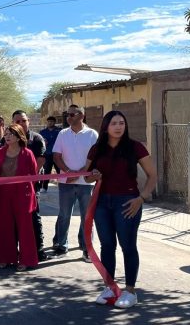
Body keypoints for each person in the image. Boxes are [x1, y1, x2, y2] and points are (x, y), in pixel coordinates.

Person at [84, 110, 156, 309]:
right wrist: (94, 175)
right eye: (114, 123)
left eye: (121, 123)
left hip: (127, 202)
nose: (118, 127)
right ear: (106, 127)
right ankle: (109, 287)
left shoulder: (135, 147)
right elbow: (87, 176)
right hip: (101, 202)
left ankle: (130, 291)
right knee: (107, 245)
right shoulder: (96, 149)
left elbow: (153, 175)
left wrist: (141, 198)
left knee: (128, 246)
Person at [52, 104, 98, 262]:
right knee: (64, 215)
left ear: (81, 116)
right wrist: (67, 172)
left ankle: (86, 248)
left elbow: (97, 157)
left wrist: (82, 171)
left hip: (86, 183)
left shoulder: (92, 134)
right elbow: (56, 156)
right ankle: (61, 245)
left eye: (72, 114)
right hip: (66, 182)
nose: (68, 117)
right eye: (67, 115)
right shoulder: (62, 134)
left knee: (87, 217)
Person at [0, 124, 39, 271]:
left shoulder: (28, 153)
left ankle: (26, 260)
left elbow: (34, 174)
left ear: (19, 137)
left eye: (11, 134)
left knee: (25, 228)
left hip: (23, 194)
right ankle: (5, 258)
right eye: (6, 134)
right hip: (3, 193)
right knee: (3, 226)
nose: (7, 137)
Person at [12, 110, 48, 261]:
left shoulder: (37, 139)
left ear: (29, 122)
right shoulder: (9, 138)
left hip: (31, 187)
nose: (21, 124)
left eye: (24, 120)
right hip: (12, 188)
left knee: (33, 218)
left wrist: (28, 180)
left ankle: (38, 250)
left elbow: (40, 161)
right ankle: (14, 251)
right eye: (18, 121)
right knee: (14, 219)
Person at [39, 116, 61, 192]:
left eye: (51, 121)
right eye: (49, 121)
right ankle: (44, 187)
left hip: (57, 154)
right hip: (47, 154)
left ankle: (62, 186)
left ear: (54, 122)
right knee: (47, 171)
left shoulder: (59, 131)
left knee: (59, 171)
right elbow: (39, 143)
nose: (50, 123)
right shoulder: (42, 132)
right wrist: (43, 143)